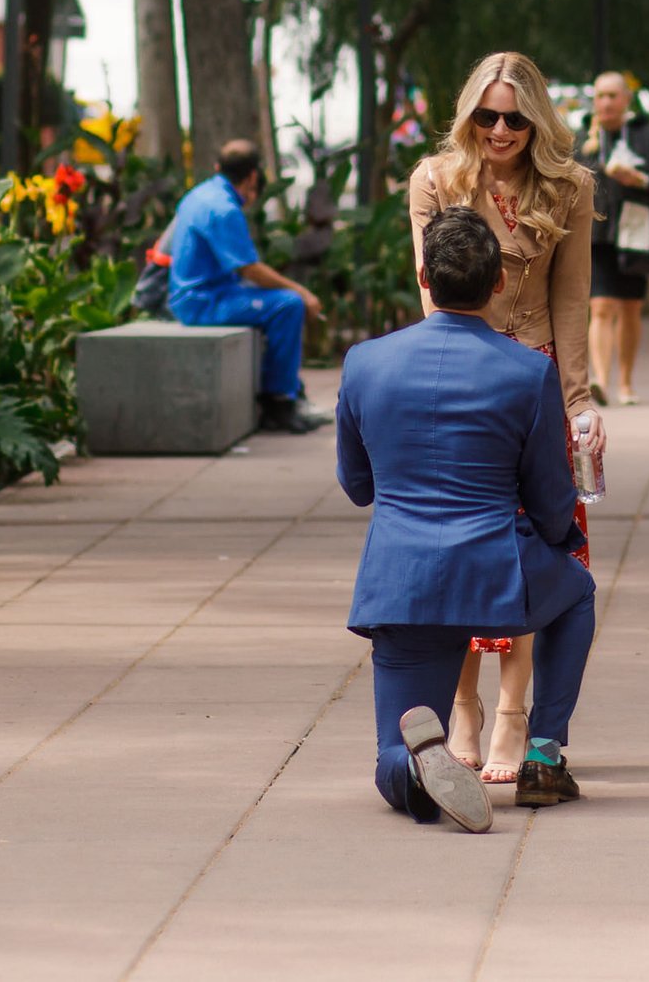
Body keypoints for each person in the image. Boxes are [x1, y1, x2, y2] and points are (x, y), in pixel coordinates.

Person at [339, 208, 596, 826]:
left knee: (388, 755)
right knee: (577, 592)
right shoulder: (529, 370)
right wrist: (558, 542)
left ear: (424, 275)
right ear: (499, 283)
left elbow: (356, 487)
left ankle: (417, 766)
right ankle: (542, 754)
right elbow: (548, 497)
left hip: (399, 584)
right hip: (496, 573)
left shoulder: (364, 362)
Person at [407, 51, 597, 784]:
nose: (500, 128)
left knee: (532, 555)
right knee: (461, 551)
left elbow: (574, 297)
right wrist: (447, 376)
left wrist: (576, 399)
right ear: (468, 115)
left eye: (516, 117)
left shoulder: (569, 187)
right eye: (487, 115)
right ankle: (464, 707)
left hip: (539, 377)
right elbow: (433, 290)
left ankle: (514, 716)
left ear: (537, 120)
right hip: (463, 376)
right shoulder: (435, 179)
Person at [167, 138, 328, 435]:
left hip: (199, 294)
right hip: (203, 302)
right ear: (253, 176)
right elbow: (249, 268)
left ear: (219, 167)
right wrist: (302, 292)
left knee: (278, 301)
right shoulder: (224, 208)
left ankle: (291, 389)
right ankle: (278, 402)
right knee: (287, 305)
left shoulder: (200, 194)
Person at [579, 71, 649, 407]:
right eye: (600, 96)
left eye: (612, 95)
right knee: (600, 305)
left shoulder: (648, 137)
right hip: (596, 236)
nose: (605, 102)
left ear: (626, 99)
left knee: (630, 307)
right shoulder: (582, 138)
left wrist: (640, 180)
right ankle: (599, 379)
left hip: (636, 233)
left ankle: (625, 382)